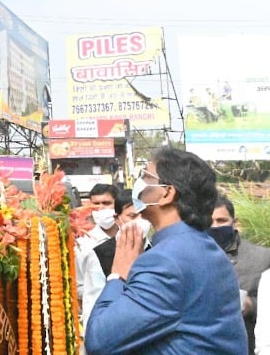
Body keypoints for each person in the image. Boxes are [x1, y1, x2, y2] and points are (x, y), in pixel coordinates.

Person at [84, 147, 247, 355]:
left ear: (167, 194)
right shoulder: (207, 248)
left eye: (146, 177)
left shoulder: (165, 260)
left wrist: (118, 275)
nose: (139, 185)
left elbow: (100, 340)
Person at [211, 194, 270, 354]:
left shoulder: (261, 257)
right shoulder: (191, 256)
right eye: (209, 221)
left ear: (235, 223)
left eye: (221, 220)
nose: (215, 226)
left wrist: (252, 305)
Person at [81, 188, 140, 325]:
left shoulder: (157, 248)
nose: (139, 221)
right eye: (132, 216)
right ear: (117, 219)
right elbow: (92, 302)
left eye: (144, 215)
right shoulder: (98, 254)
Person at [74, 184, 120, 300]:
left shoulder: (129, 238)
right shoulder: (82, 244)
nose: (101, 208)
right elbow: (77, 286)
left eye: (106, 203)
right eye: (96, 204)